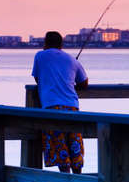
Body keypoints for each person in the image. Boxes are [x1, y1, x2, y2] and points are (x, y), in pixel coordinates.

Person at [31, 31, 88, 174]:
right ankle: (78, 181)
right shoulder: (72, 60)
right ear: (61, 44)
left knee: (59, 149)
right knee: (75, 148)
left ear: (45, 43)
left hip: (52, 107)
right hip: (72, 107)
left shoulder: (40, 56)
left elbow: (38, 79)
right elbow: (84, 83)